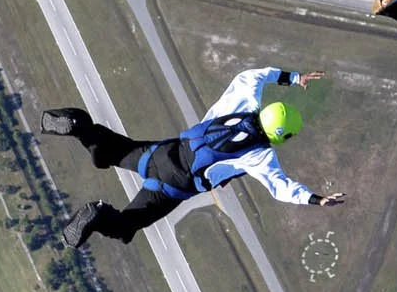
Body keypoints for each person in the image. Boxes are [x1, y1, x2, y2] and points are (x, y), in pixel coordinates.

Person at [42, 66, 345, 249]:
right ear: (282, 136)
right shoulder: (260, 156)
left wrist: (294, 77)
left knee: (112, 150)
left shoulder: (244, 101)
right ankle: (99, 214)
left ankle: (81, 127)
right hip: (172, 185)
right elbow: (281, 188)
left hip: (163, 153)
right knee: (124, 227)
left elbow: (253, 75)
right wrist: (317, 199)